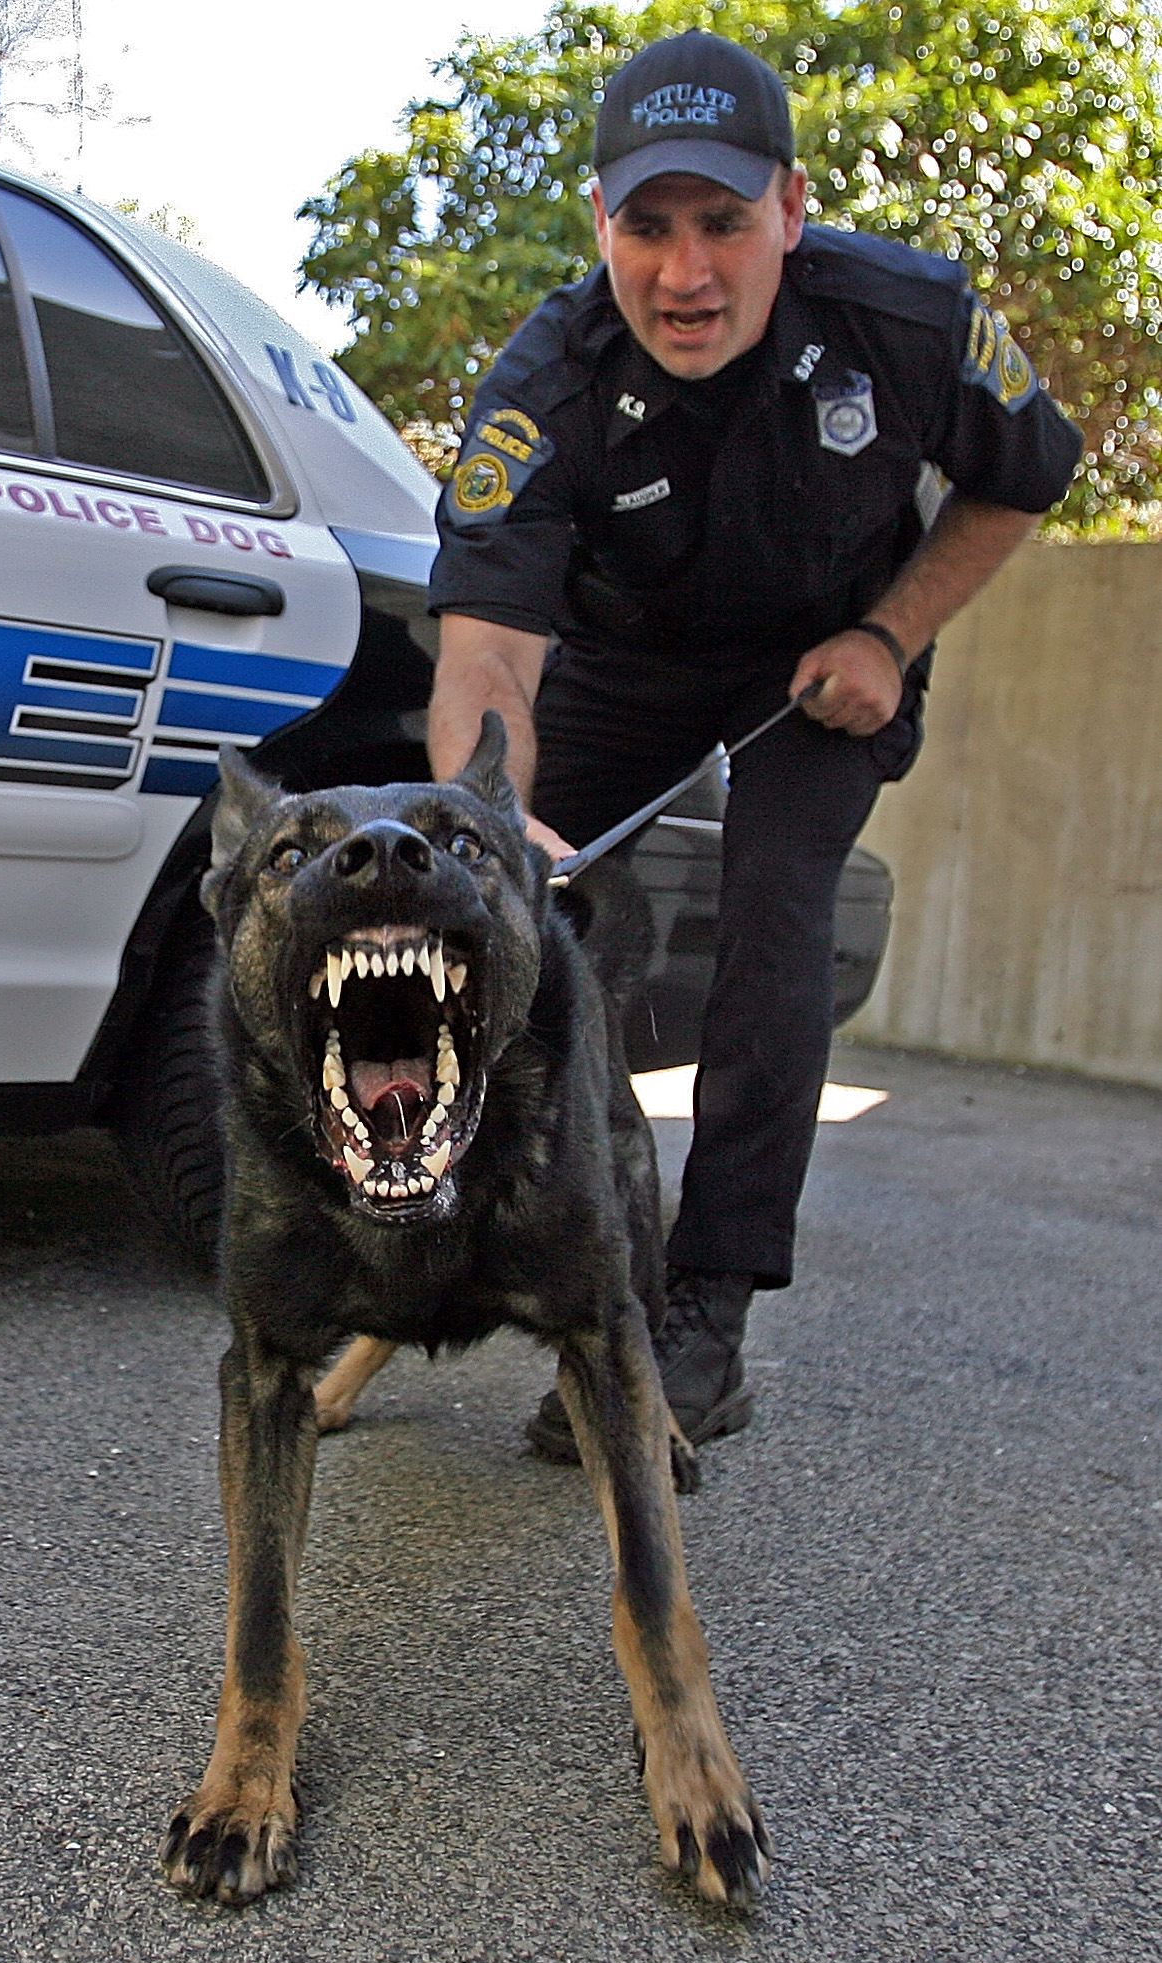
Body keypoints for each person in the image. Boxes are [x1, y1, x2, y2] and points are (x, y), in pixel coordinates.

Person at [424, 29, 1082, 1463]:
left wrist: (892, 638)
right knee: (510, 911)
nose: (686, 271)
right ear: (600, 223)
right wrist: (489, 821)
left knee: (776, 925)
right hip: (624, 655)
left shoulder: (905, 320)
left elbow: (1023, 477)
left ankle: (702, 1322)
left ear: (789, 209)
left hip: (820, 661)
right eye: (645, 227)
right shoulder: (546, 379)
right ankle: (544, 1247)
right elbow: (485, 655)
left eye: (723, 221)